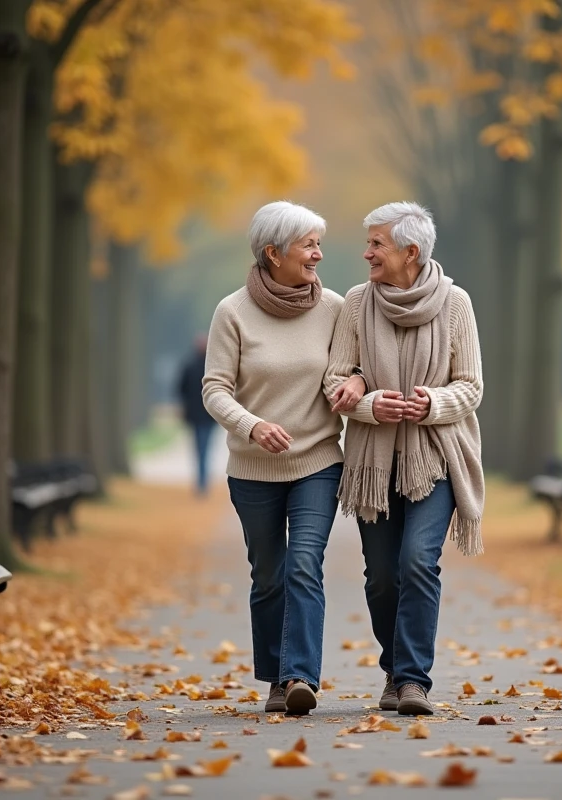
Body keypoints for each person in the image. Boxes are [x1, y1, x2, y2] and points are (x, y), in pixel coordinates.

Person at [203, 200, 365, 716]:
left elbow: (350, 369)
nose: (318, 253)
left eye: (319, 243)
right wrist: (251, 424)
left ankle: (300, 676)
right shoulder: (232, 312)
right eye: (308, 244)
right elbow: (215, 389)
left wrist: (357, 382)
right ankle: (275, 676)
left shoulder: (336, 308)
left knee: (303, 563)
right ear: (273, 253)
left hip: (317, 459)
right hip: (252, 470)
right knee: (268, 572)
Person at [325, 201, 485, 716]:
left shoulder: (456, 304)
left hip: (435, 458)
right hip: (374, 463)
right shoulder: (355, 303)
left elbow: (471, 386)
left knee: (418, 562)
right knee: (382, 577)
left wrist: (431, 404)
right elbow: (336, 377)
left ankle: (413, 680)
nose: (366, 252)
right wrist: (371, 403)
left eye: (377, 243)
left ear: (410, 252)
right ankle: (395, 667)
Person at [178, 334, 217, 496]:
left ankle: (201, 483)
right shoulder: (211, 368)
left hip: (197, 416)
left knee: (199, 450)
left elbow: (180, 390)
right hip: (208, 415)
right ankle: (202, 483)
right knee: (204, 449)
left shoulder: (189, 366)